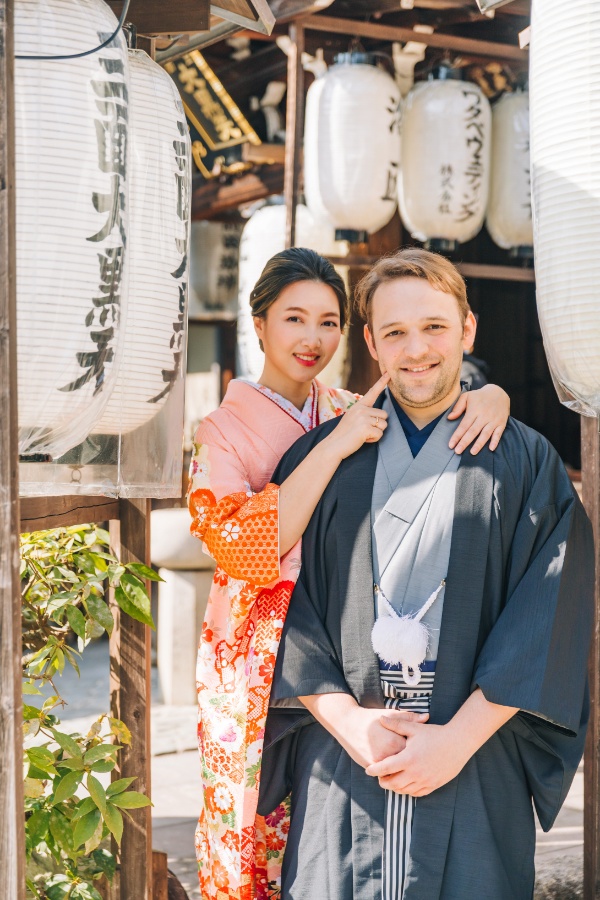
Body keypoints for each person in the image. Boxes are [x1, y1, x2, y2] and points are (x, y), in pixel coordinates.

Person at [260, 247, 594, 900]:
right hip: (344, 756)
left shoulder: (524, 460)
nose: (416, 349)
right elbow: (274, 600)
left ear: (467, 329)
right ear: (371, 343)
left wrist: (456, 741)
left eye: (435, 327)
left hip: (475, 756)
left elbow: (550, 610)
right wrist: (349, 723)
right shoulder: (321, 457)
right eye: (396, 333)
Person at [187, 247, 511, 899]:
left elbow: (430, 391)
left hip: (342, 648)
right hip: (259, 656)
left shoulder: (345, 400)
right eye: (294, 319)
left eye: (329, 322)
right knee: (251, 834)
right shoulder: (219, 432)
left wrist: (494, 395)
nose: (313, 339)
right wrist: (333, 443)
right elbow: (250, 551)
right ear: (259, 324)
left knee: (329, 837)